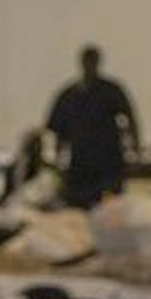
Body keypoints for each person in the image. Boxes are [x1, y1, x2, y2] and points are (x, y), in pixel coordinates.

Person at [45, 45, 141, 209]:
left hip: (108, 163)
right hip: (80, 164)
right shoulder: (69, 95)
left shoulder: (110, 91)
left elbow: (130, 120)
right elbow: (57, 132)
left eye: (93, 61)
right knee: (78, 207)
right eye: (88, 61)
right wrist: (57, 163)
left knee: (111, 209)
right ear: (82, 63)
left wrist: (135, 150)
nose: (90, 65)